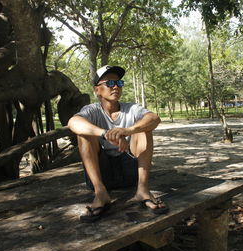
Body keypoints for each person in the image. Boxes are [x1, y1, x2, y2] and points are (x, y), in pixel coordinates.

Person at [68, 65, 168, 222]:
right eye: (109, 83)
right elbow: (73, 123)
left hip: (129, 170)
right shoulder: (91, 110)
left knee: (144, 129)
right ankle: (101, 194)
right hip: (102, 173)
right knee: (83, 135)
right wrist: (105, 134)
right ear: (97, 90)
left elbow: (154, 119)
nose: (115, 86)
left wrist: (128, 130)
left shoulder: (131, 108)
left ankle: (142, 190)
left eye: (119, 83)